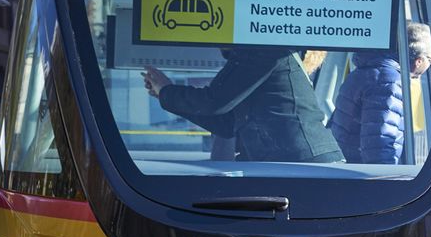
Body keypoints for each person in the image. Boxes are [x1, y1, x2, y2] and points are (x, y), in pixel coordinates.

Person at [145, 47, 343, 163]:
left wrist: (167, 91)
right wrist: (165, 95)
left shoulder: (261, 49)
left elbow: (214, 102)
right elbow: (227, 123)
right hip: (292, 160)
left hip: (302, 162)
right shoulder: (253, 54)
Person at [327, 51, 405, 163]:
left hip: (346, 162)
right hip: (360, 171)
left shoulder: (363, 72)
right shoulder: (386, 80)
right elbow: (379, 146)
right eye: (430, 59)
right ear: (419, 60)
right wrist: (384, 178)